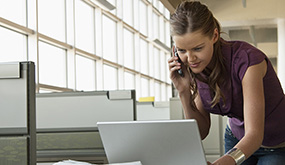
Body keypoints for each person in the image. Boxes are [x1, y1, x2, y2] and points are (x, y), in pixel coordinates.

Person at [168, 1, 285, 165]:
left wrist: (220, 164)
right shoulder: (195, 68)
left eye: (198, 48)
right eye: (182, 50)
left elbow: (254, 134)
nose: (190, 58)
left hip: (275, 142)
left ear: (214, 36)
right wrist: (183, 91)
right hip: (237, 138)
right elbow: (200, 132)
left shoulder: (248, 61)